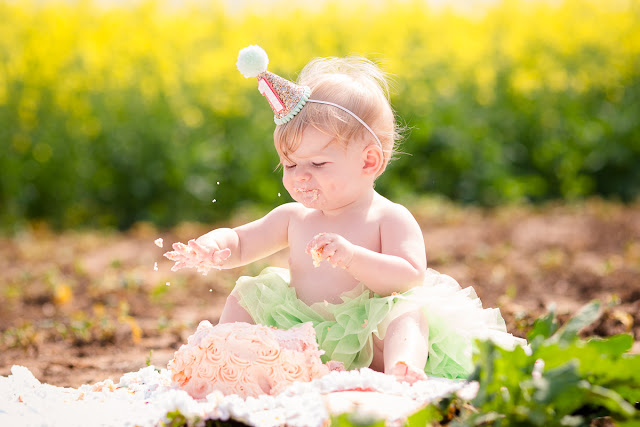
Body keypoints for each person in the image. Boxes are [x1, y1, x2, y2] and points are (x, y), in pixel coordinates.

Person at [165, 45, 525, 383]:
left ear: (369, 161)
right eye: (290, 164)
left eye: (318, 163)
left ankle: (404, 372)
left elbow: (408, 278)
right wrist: (213, 246)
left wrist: (353, 258)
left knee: (408, 312)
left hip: (371, 337)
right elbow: (242, 241)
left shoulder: (389, 217)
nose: (300, 176)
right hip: (306, 336)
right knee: (249, 293)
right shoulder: (294, 217)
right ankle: (225, 356)